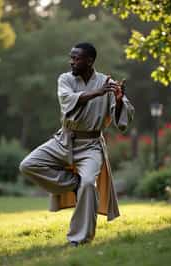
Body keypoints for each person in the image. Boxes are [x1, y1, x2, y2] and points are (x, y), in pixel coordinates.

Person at [19, 42, 135, 247]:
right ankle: (73, 183)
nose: (71, 61)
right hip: (64, 139)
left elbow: (122, 121)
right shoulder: (65, 79)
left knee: (89, 183)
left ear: (89, 61)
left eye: (76, 58)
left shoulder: (107, 83)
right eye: (71, 57)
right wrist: (98, 93)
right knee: (28, 165)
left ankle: (80, 238)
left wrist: (118, 101)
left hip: (91, 145)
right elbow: (68, 100)